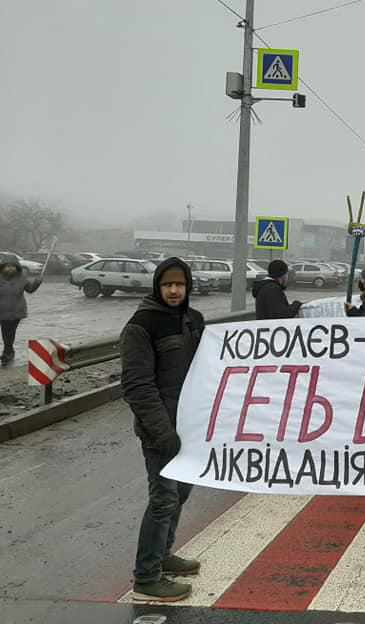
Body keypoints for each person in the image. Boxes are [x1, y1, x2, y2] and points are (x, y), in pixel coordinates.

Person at [120, 258, 205, 602]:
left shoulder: (193, 320)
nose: (174, 290)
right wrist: (163, 433)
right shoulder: (141, 325)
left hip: (191, 427)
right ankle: (147, 577)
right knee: (163, 498)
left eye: (180, 285)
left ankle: (164, 554)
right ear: (157, 286)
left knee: (181, 494)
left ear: (188, 286)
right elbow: (137, 385)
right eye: (168, 284)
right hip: (161, 431)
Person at [0, 253, 42, 365]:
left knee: (9, 331)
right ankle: (9, 351)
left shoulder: (21, 278)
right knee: (6, 331)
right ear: (3, 266)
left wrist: (37, 283)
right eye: (7, 266)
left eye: (12, 266)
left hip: (16, 311)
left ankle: (7, 352)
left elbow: (30, 289)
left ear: (16, 267)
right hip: (2, 311)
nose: (10, 268)